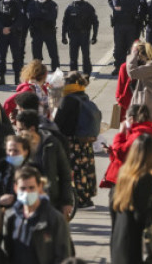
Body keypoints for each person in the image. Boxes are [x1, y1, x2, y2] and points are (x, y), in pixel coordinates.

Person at [1, 165, 72, 263]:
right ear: (15, 188)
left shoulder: (54, 219)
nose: (27, 192)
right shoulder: (10, 217)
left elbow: (63, 257)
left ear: (40, 187)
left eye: (31, 188)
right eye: (23, 188)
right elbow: (5, 252)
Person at [110, 133, 152, 264]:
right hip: (135, 248)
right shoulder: (145, 179)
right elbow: (141, 216)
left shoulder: (122, 177)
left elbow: (114, 215)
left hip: (118, 245)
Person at [15, 110, 74, 218]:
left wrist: (66, 201)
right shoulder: (17, 147)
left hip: (50, 201)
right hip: (25, 201)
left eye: (20, 130)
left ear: (32, 129)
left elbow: (65, 173)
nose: (17, 133)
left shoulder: (51, 144)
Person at [53, 72, 98, 208]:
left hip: (71, 141)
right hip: (84, 140)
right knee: (86, 168)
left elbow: (58, 122)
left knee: (75, 169)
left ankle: (80, 199)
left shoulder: (67, 100)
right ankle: (87, 197)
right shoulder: (83, 96)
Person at [102, 104, 152, 190]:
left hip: (135, 179)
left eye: (126, 119)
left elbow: (121, 153)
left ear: (131, 119)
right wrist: (111, 150)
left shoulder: (138, 134)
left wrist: (121, 133)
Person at [0, 0, 26, 86]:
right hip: (2, 34)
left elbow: (20, 19)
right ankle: (1, 77)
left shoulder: (17, 4)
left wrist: (11, 28)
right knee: (1, 57)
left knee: (16, 57)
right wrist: (2, 28)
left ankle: (17, 78)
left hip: (14, 34)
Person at [108, 0, 140, 76]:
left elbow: (134, 6)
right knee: (119, 48)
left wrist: (121, 8)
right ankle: (118, 67)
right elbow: (111, 1)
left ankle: (130, 67)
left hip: (130, 24)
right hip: (119, 25)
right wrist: (115, 9)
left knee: (131, 47)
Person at [62, 0, 98, 76]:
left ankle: (87, 74)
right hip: (73, 35)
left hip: (84, 35)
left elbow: (95, 22)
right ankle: (73, 75)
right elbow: (65, 23)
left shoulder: (88, 7)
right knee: (73, 57)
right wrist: (63, 36)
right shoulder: (70, 7)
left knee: (86, 56)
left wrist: (94, 36)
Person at [127, 41, 152, 122]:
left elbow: (132, 72)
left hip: (149, 102)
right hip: (150, 101)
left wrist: (133, 54)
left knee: (148, 128)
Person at [27, 0, 60, 71]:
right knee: (36, 55)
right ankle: (37, 71)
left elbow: (51, 17)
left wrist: (38, 16)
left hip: (49, 32)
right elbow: (30, 17)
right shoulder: (32, 4)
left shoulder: (53, 4)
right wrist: (43, 14)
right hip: (36, 32)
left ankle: (56, 70)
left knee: (53, 54)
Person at [0, 134, 31, 205]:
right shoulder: (2, 166)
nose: (11, 154)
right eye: (9, 150)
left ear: (25, 152)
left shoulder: (32, 170)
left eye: (16, 151)